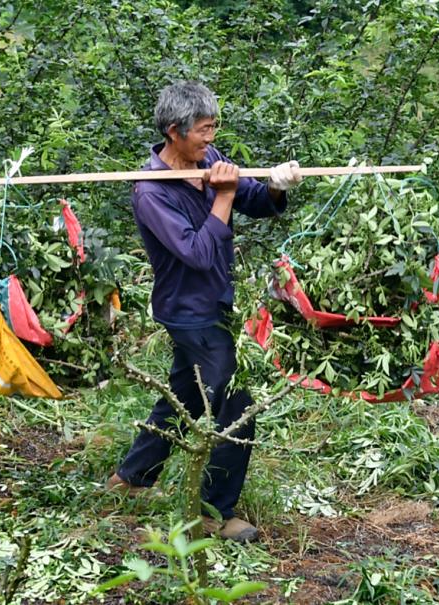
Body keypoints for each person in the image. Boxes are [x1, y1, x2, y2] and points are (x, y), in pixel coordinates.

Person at [105, 81, 301, 543]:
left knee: (186, 395)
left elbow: (253, 199)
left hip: (217, 300)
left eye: (214, 129)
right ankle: (215, 512)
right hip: (187, 310)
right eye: (203, 131)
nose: (211, 139)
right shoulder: (151, 192)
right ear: (174, 131)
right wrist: (224, 196)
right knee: (236, 400)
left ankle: (130, 480)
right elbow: (195, 252)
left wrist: (273, 186)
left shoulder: (207, 161)